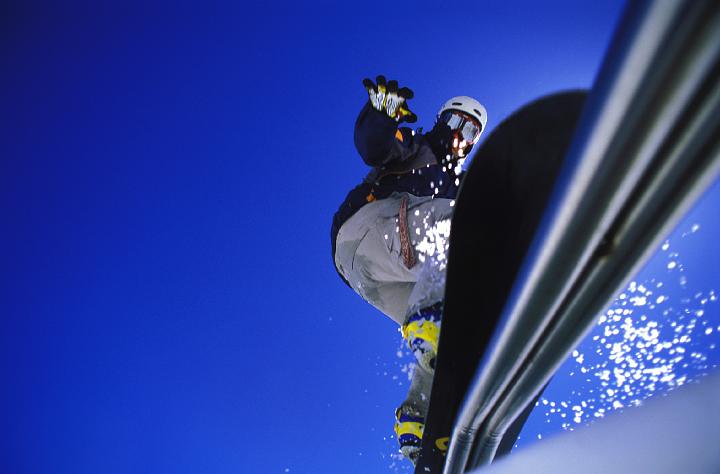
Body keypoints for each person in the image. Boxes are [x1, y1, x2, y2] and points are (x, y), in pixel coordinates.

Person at [330, 75, 487, 464]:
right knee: (465, 222)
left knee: (454, 334)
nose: (459, 134)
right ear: (440, 122)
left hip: (375, 278)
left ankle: (420, 422)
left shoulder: (459, 183)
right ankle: (428, 314)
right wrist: (382, 116)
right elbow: (375, 146)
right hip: (367, 230)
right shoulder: (419, 147)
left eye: (470, 130)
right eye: (455, 122)